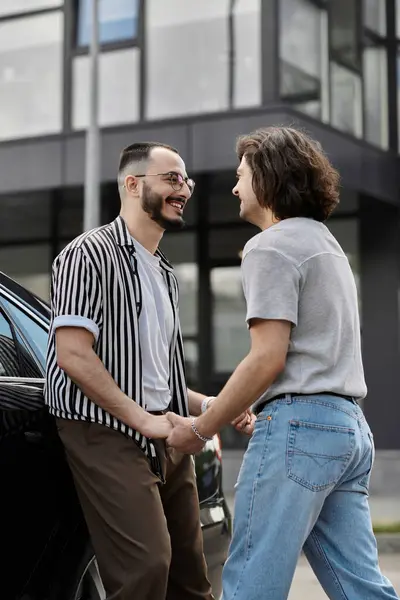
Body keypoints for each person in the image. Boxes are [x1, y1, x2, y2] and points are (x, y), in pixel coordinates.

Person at [167, 127, 400, 600]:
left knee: (252, 583)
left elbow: (267, 357)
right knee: (362, 589)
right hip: (348, 428)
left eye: (241, 176)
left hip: (301, 428)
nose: (235, 188)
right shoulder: (327, 244)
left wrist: (199, 428)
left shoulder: (270, 246)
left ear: (267, 178)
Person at [45, 141, 223, 599]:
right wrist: (144, 420)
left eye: (187, 180)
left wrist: (212, 405)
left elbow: (156, 378)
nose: (184, 188)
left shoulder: (165, 273)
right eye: (172, 178)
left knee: (191, 576)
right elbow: (73, 355)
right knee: (146, 567)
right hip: (103, 431)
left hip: (164, 431)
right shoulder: (87, 255)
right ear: (132, 183)